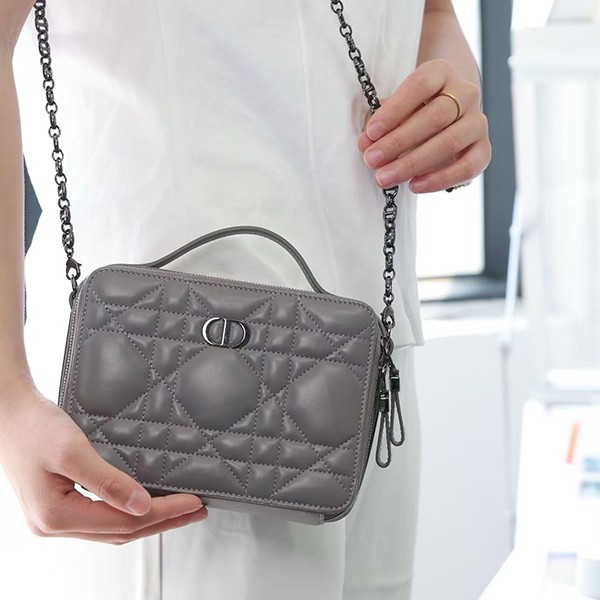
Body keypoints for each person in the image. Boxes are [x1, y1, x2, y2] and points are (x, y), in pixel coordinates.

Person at [0, 0, 491, 598]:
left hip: (366, 373)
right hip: (162, 387)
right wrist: (7, 399)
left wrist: (449, 94)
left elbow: (432, 12)